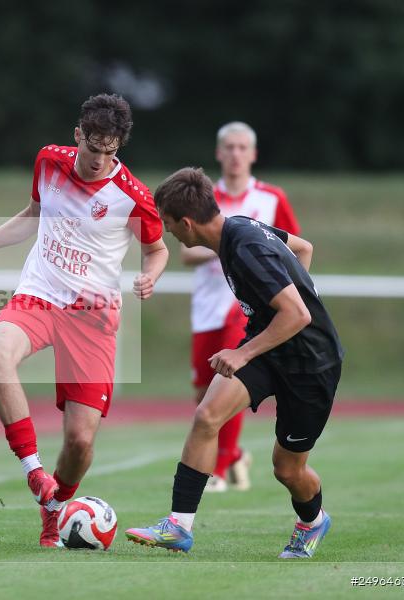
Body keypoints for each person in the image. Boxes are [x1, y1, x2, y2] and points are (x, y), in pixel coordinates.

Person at [0, 94, 168, 547]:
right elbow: (32, 216)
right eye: (93, 149)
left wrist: (150, 275)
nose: (99, 161)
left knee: (80, 444)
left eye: (110, 152)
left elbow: (157, 249)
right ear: (78, 135)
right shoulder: (49, 161)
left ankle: (54, 510)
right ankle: (33, 472)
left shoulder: (134, 196)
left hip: (93, 320)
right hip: (40, 295)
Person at [125, 167, 343, 558]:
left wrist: (243, 351)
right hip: (269, 346)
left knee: (287, 469)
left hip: (311, 365)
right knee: (207, 417)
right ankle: (178, 527)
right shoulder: (236, 227)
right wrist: (274, 317)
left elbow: (298, 316)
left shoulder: (246, 246)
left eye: (170, 225)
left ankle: (313, 521)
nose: (170, 233)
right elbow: (304, 247)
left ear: (188, 222)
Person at [183, 122, 301, 493]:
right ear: (219, 153)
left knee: (228, 377)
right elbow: (186, 252)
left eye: (241, 148)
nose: (235, 154)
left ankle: (218, 467)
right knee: (203, 391)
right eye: (228, 147)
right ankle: (234, 457)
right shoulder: (204, 197)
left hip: (248, 305)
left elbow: (295, 247)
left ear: (252, 154)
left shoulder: (271, 198)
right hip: (207, 304)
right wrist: (223, 244)